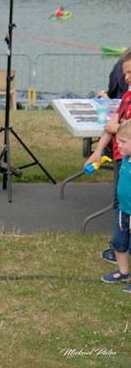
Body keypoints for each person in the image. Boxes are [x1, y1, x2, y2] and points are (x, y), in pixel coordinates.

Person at [93, 47, 131, 264]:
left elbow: (118, 127)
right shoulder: (126, 96)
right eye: (124, 73)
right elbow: (111, 125)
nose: (125, 78)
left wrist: (118, 128)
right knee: (120, 204)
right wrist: (97, 152)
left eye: (130, 73)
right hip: (121, 159)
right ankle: (119, 249)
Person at [101, 119, 131, 293]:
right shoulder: (125, 159)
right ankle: (123, 272)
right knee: (119, 243)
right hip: (122, 210)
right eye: (118, 141)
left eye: (123, 142)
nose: (118, 145)